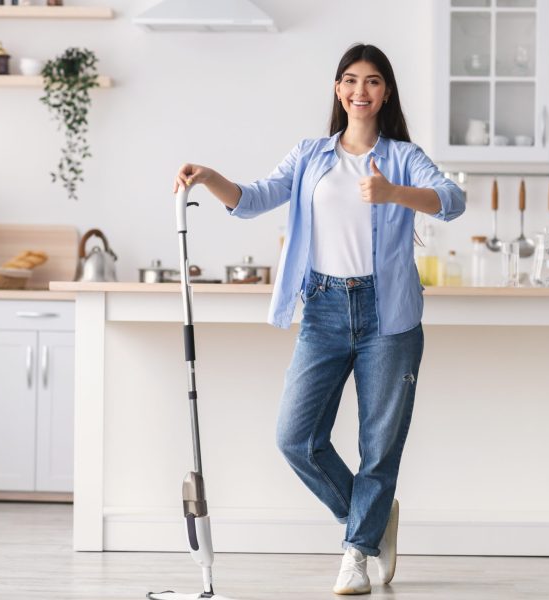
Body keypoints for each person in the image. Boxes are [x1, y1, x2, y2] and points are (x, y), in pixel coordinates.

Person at [173, 43, 465, 595]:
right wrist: (210, 177)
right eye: (351, 80)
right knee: (296, 437)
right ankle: (372, 519)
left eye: (373, 81)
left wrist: (393, 193)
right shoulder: (309, 155)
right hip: (325, 308)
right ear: (338, 89)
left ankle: (356, 552)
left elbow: (453, 199)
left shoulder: (403, 156)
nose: (361, 91)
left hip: (390, 313)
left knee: (380, 445)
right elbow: (257, 197)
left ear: (385, 92)